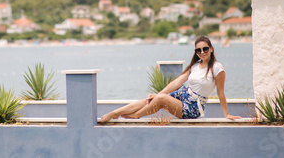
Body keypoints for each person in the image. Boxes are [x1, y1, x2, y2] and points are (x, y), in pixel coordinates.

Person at [100, 36, 241, 122]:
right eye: (198, 50)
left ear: (211, 49)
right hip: (184, 94)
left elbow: (221, 93)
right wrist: (158, 93)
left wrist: (227, 114)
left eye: (205, 49)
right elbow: (177, 82)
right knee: (151, 99)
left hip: (194, 106)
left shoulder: (217, 68)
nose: (202, 52)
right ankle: (116, 112)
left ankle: (136, 115)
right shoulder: (195, 65)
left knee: (161, 99)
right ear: (196, 52)